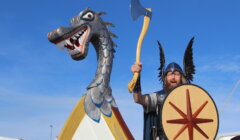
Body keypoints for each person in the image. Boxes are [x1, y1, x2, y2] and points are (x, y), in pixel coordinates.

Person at [131, 38, 195, 140]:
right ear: (165, 78)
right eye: (170, 74)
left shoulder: (190, 98)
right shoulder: (158, 97)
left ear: (182, 77)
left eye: (177, 74)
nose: (173, 77)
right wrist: (137, 77)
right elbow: (138, 99)